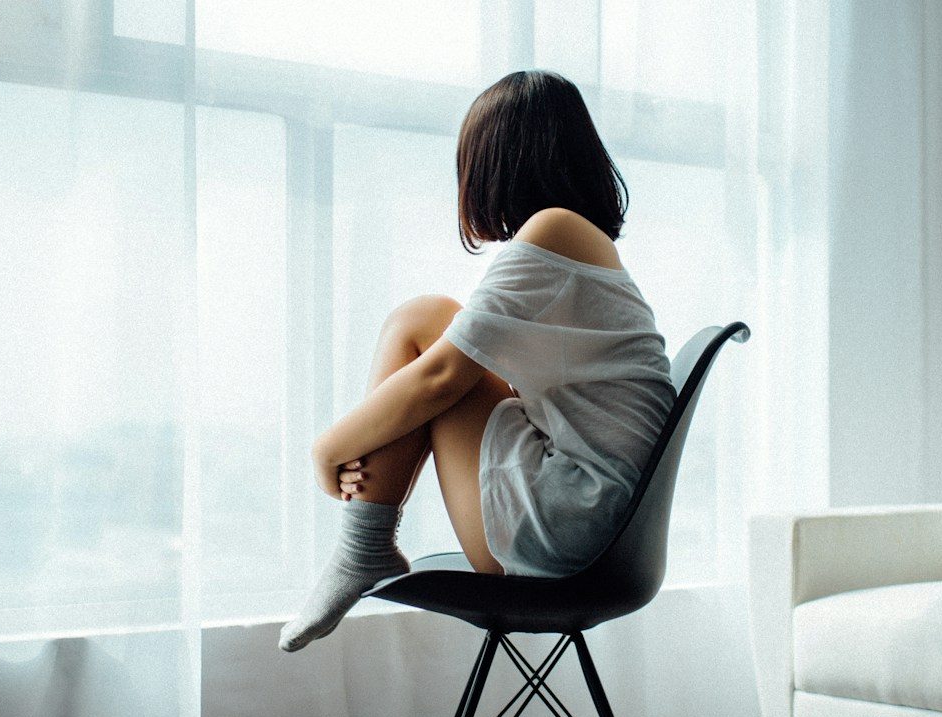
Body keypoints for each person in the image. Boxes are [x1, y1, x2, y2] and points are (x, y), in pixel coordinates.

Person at [280, 70, 673, 652]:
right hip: (595, 526)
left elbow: (443, 378)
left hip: (568, 531)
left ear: (498, 163)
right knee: (431, 322)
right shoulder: (582, 243)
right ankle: (363, 546)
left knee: (420, 324)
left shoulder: (554, 230)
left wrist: (327, 448)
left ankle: (361, 547)